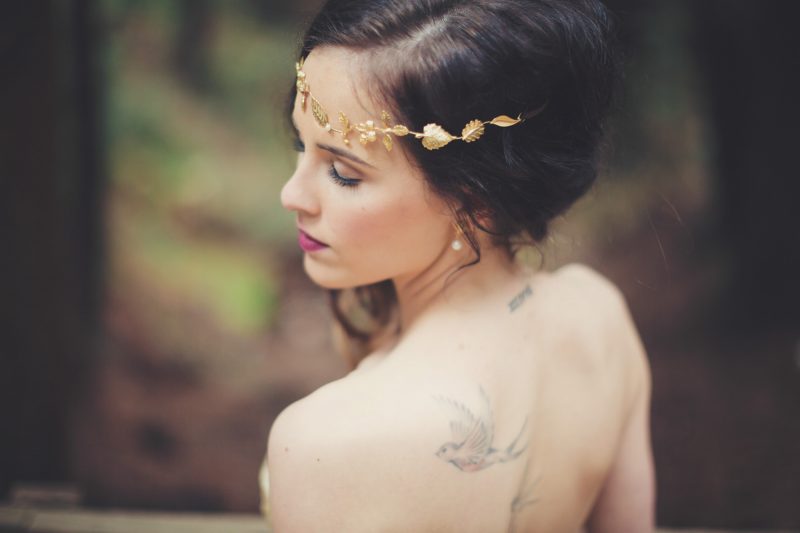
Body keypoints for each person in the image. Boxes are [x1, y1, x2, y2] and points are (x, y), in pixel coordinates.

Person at [261, 0, 655, 531]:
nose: (292, 194)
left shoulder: (322, 441)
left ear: (472, 199)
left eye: (343, 173)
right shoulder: (600, 317)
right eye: (299, 143)